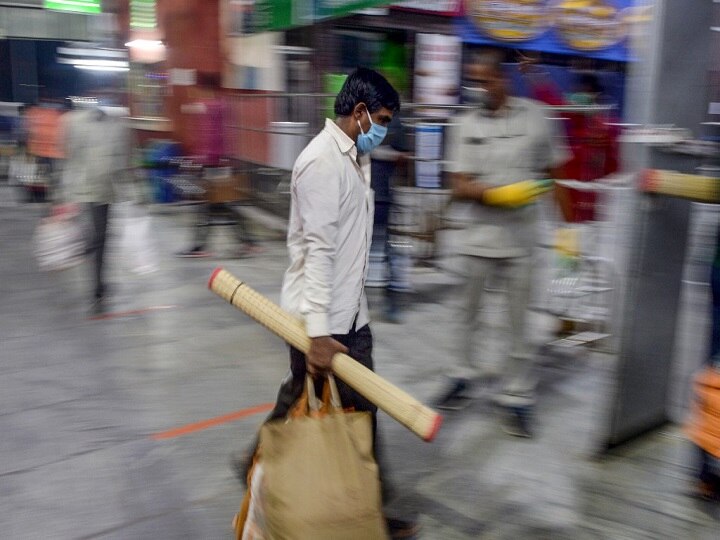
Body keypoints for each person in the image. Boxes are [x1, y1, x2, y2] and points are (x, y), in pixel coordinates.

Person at [234, 67, 418, 538]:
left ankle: (364, 503)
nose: (383, 130)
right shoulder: (321, 163)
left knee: (348, 410)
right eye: (380, 119)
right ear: (358, 113)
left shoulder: (357, 156)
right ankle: (268, 465)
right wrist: (318, 334)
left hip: (352, 315)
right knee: (321, 407)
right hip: (322, 323)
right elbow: (318, 251)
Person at [434, 49, 570, 438]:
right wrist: (495, 194)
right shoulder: (464, 124)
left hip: (522, 241)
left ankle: (517, 396)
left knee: (518, 326)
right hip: (477, 238)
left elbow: (554, 173)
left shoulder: (536, 118)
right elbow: (458, 184)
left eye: (486, 81)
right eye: (475, 81)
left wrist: (567, 232)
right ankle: (461, 376)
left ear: (503, 78)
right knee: (467, 316)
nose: (480, 89)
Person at [60, 102, 132, 314]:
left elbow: (122, 158)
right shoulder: (80, 123)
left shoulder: (114, 125)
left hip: (100, 190)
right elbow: (72, 157)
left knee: (101, 238)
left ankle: (98, 283)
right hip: (91, 190)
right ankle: (98, 288)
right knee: (100, 238)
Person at [176, 73, 259, 258]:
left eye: (196, 87)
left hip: (215, 164)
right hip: (219, 163)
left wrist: (202, 160)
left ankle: (203, 246)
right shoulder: (221, 105)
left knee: (215, 204)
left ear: (205, 88)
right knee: (219, 205)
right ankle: (246, 242)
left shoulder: (210, 107)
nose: (193, 91)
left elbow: (211, 137)